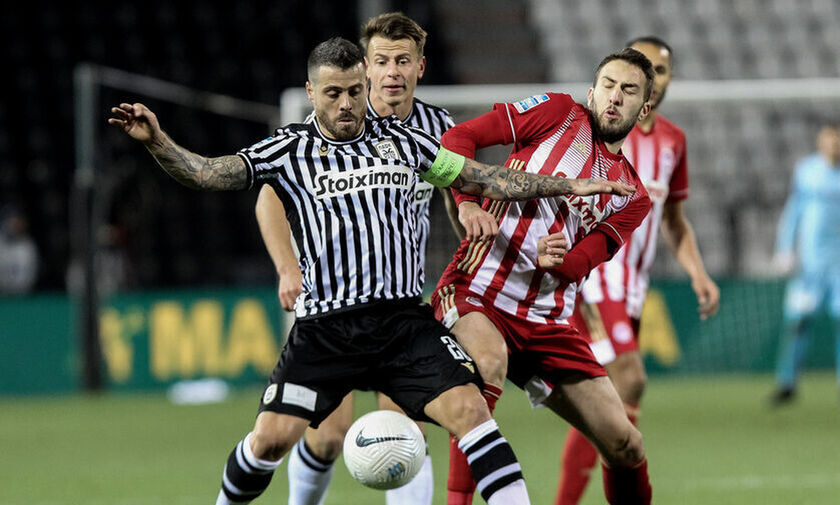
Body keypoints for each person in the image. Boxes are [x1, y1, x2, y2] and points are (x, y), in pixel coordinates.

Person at [108, 37, 636, 505]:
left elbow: (486, 178)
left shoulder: (405, 142)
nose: (345, 104)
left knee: (473, 414)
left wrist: (569, 185)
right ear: (311, 93)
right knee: (271, 440)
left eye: (354, 91)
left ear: (366, 88)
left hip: (402, 325)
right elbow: (206, 174)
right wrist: (157, 141)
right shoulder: (288, 149)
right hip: (326, 329)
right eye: (332, 93)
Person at [253, 12, 487, 505]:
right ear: (366, 68)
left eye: (403, 61)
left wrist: (466, 209)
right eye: (381, 62)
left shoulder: (437, 126)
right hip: (330, 303)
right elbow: (269, 197)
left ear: (420, 67)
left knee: (404, 425)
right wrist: (287, 267)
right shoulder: (334, 121)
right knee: (326, 436)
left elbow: (457, 185)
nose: (392, 73)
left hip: (397, 303)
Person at [432, 48, 656, 505]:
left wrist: (560, 259)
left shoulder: (634, 196)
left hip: (546, 321)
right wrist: (467, 203)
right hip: (479, 289)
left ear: (644, 108)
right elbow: (459, 137)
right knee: (486, 364)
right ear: (592, 92)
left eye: (629, 90)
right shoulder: (557, 113)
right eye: (608, 85)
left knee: (625, 444)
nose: (615, 97)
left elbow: (581, 263)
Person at [555, 36, 720, 505]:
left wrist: (698, 273)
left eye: (660, 70)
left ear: (664, 81)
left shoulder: (673, 142)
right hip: (594, 277)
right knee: (630, 378)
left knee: (610, 402)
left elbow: (674, 222)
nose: (651, 77)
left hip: (633, 287)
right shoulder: (592, 130)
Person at [770, 122, 840, 405]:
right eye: (829, 139)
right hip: (809, 264)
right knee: (798, 321)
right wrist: (785, 249)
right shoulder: (807, 171)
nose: (833, 144)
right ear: (820, 142)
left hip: (838, 264)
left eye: (837, 139)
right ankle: (787, 382)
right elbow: (794, 210)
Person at [0, 204, 39, 294]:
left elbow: (29, 276)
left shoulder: (28, 246)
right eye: (12, 221)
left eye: (18, 221)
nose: (15, 225)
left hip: (22, 295)